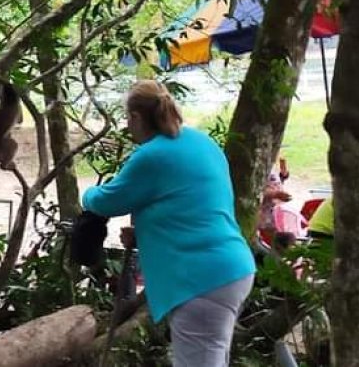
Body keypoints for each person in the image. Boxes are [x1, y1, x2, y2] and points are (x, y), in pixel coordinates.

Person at [82, 80, 255, 367]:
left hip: (199, 279)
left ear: (136, 117)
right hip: (230, 268)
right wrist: (147, 233)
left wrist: (86, 195)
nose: (128, 125)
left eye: (128, 118)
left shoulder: (152, 155)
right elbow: (193, 205)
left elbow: (107, 201)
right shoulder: (202, 143)